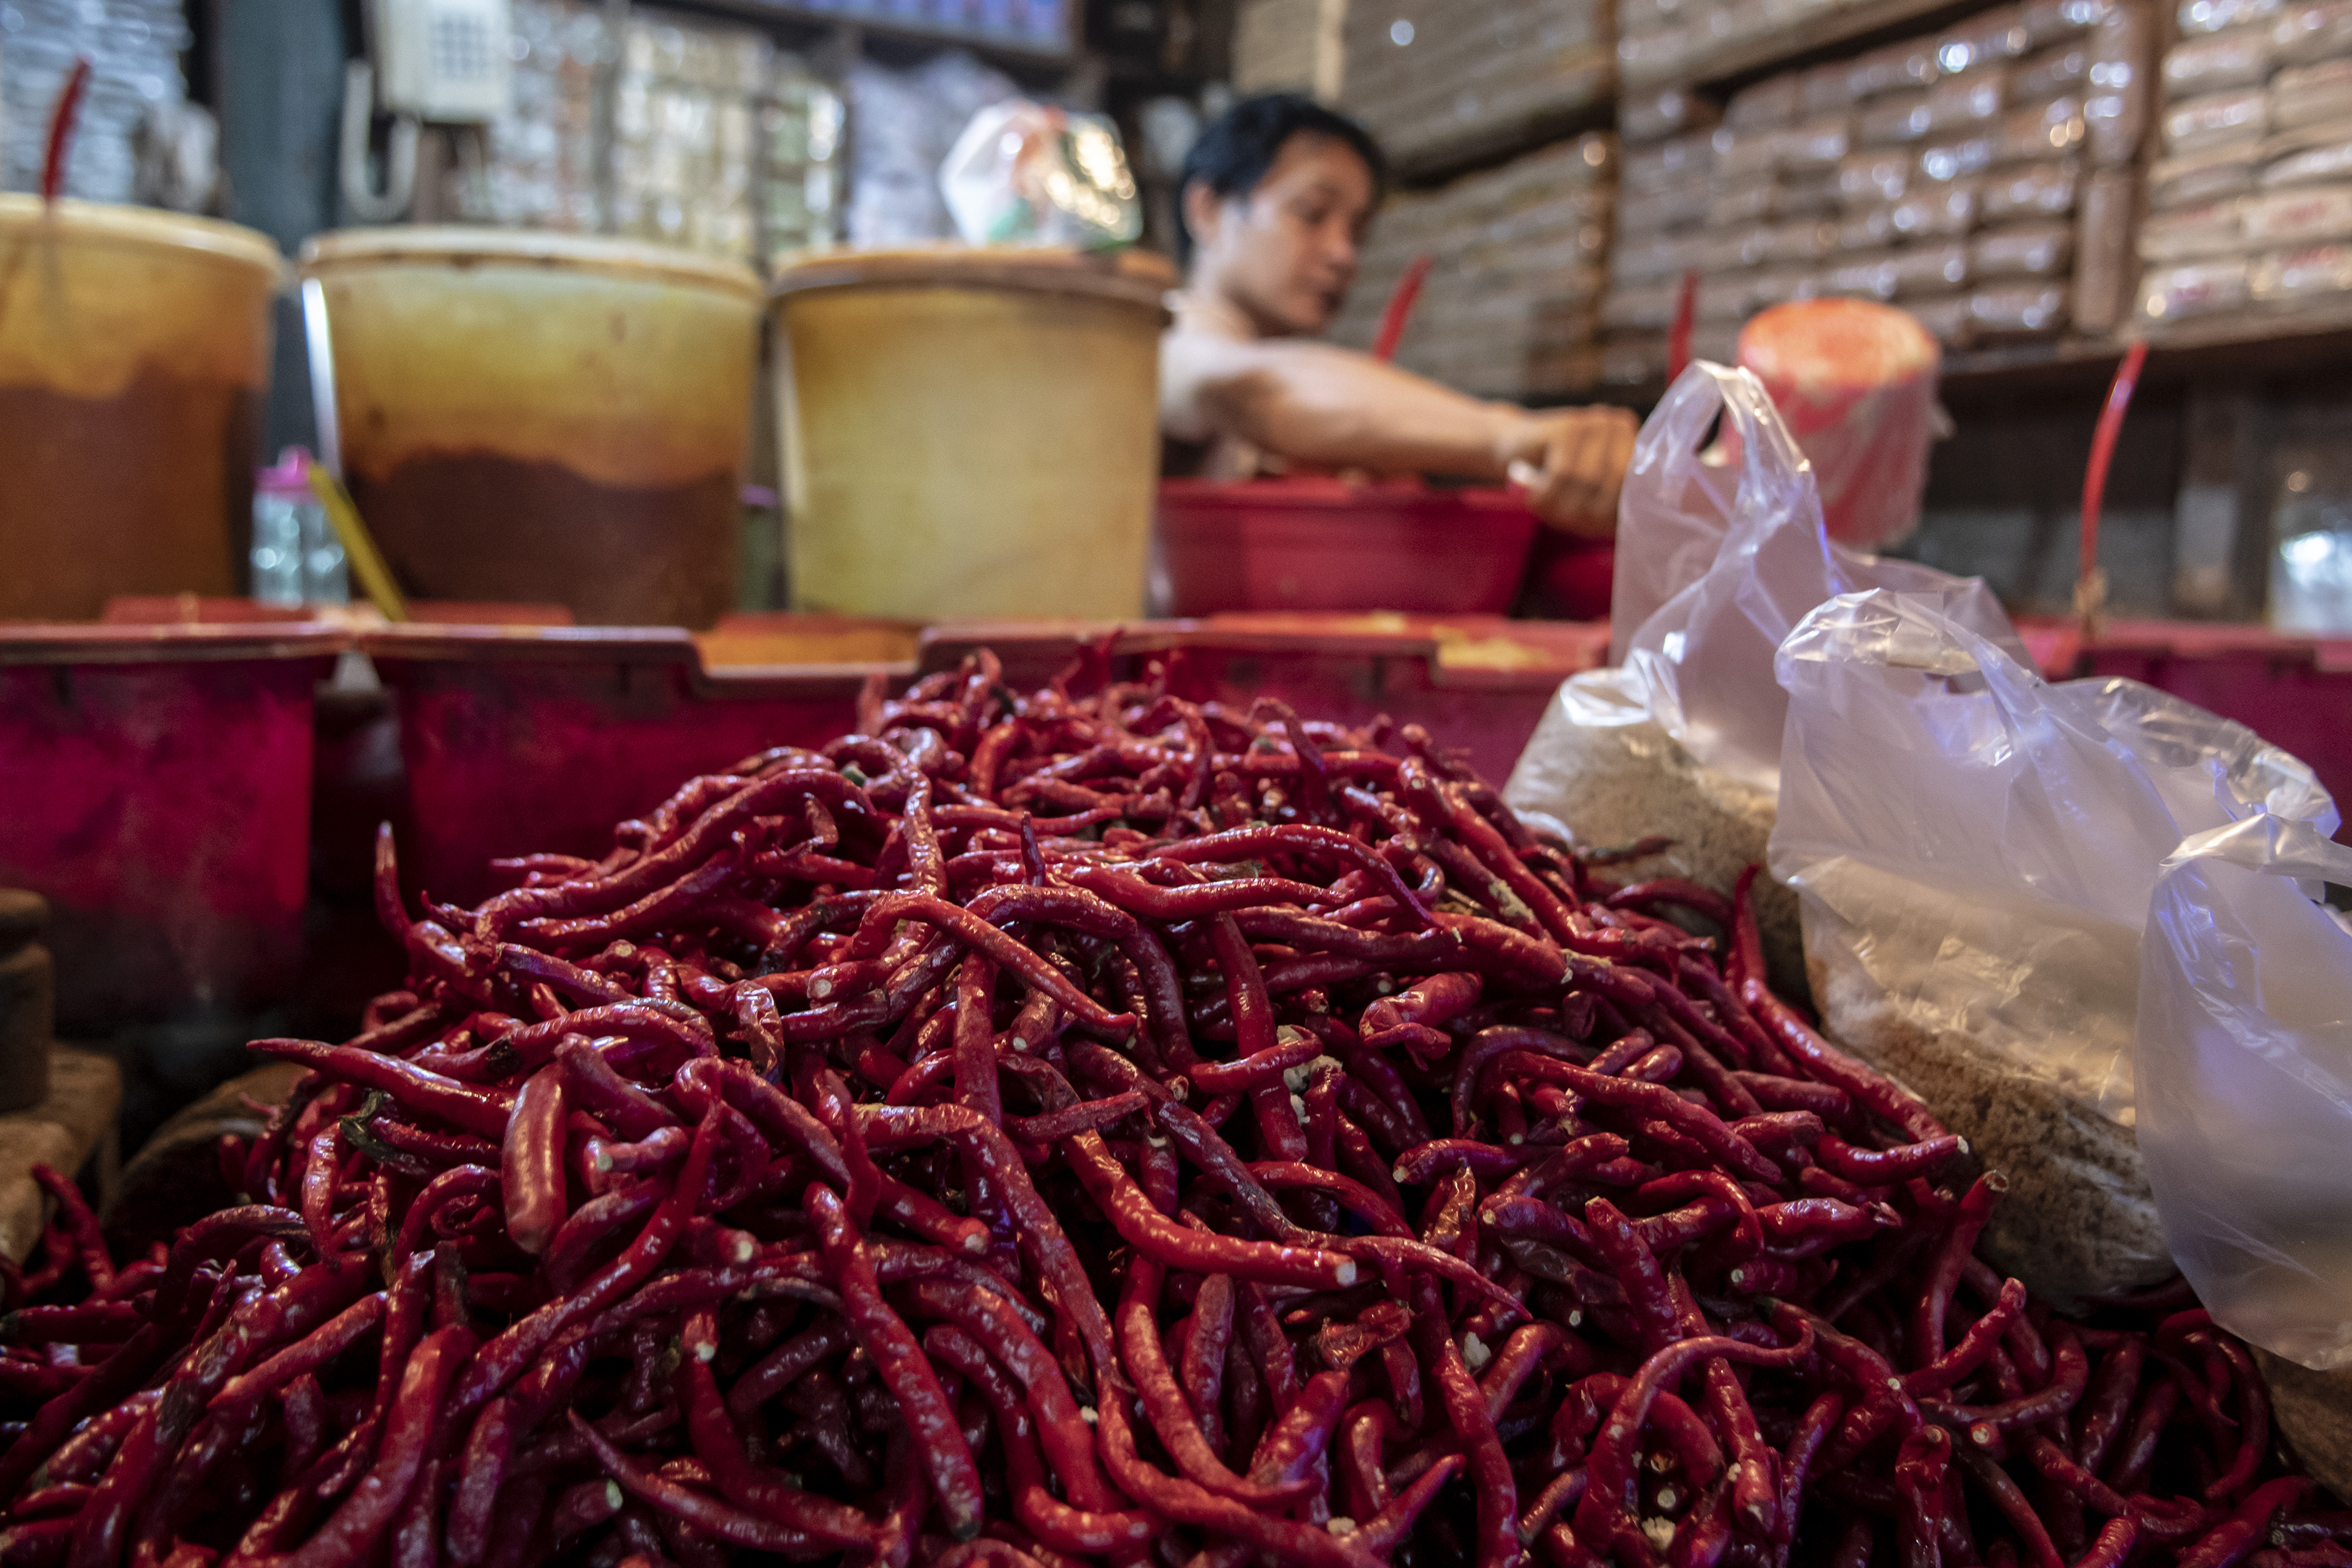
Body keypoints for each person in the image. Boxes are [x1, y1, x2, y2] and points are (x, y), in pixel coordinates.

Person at [1160, 94, 1638, 537]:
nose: (1343, 254)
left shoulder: (1312, 389)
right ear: (1208, 209)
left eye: (1358, 232)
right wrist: (1512, 435)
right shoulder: (1161, 348)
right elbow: (1255, 388)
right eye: (1311, 213)